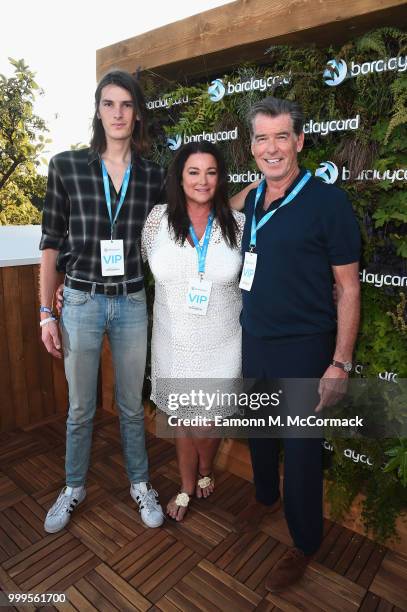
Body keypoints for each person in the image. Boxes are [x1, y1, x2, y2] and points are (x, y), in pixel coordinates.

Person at [237, 97, 361, 591]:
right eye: (262, 139)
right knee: (260, 432)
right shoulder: (251, 200)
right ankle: (264, 496)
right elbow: (219, 209)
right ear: (252, 146)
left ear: (300, 141)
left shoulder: (328, 202)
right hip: (255, 338)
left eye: (281, 137)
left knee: (303, 453)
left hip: (306, 347)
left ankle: (305, 542)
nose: (272, 148)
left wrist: (340, 363)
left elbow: (349, 287)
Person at [39, 70, 165, 533]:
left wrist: (247, 197)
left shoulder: (152, 175)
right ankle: (74, 487)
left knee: (132, 405)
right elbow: (50, 244)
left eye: (126, 105)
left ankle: (139, 484)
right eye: (109, 104)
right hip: (80, 302)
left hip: (132, 302)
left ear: (136, 113)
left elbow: (188, 220)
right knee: (80, 408)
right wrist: (45, 313)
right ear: (98, 110)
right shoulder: (67, 166)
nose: (118, 113)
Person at [141, 141, 245, 520]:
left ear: (221, 179)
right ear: (179, 176)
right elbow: (131, 266)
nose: (203, 181)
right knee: (182, 420)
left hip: (223, 342)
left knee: (206, 423)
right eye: (194, 172)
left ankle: (205, 466)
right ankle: (188, 484)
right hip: (173, 342)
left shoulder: (238, 225)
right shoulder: (156, 221)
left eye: (211, 172)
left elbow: (263, 276)